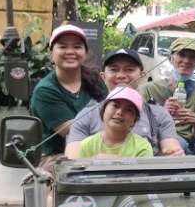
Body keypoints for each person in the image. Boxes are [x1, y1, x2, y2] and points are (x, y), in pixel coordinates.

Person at [65, 49, 184, 158]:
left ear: (142, 76)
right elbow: (73, 161)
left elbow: (172, 153)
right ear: (103, 76)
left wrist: (173, 155)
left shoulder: (158, 114)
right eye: (114, 69)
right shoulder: (87, 115)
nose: (121, 75)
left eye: (129, 69)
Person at [29, 25, 107, 157]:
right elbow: (75, 131)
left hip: (102, 149)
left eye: (77, 47)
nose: (70, 51)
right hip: (57, 157)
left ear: (85, 53)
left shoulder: (95, 80)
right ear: (51, 54)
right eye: (63, 47)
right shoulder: (45, 91)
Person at [141, 38, 195, 154]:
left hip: (194, 141)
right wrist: (162, 113)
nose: (186, 60)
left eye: (193, 57)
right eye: (182, 55)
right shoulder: (150, 88)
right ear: (171, 58)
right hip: (164, 141)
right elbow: (141, 126)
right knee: (179, 143)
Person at [75, 87, 154, 159]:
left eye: (129, 110)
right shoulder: (87, 145)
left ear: (134, 120)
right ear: (103, 110)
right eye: (115, 105)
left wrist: (116, 162)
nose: (120, 112)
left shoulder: (143, 147)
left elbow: (142, 174)